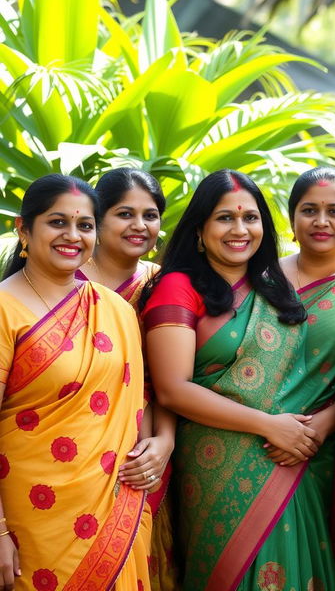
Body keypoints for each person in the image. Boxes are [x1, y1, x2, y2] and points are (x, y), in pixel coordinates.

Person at [140, 169, 335, 590]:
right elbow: (173, 390)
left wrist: (305, 429)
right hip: (217, 469)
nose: (239, 229)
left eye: (250, 218)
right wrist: (269, 426)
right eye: (225, 218)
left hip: (292, 462)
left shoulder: (274, 291)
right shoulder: (178, 288)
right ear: (200, 229)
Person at [0, 174, 151, 590]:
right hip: (27, 520)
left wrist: (156, 446)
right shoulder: (4, 310)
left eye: (85, 225)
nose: (73, 236)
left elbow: (135, 399)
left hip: (113, 510)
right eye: (57, 222)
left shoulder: (116, 310)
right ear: (23, 229)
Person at [77, 168, 177, 591]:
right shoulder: (66, 278)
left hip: (144, 447)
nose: (140, 226)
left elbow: (171, 379)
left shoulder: (163, 285)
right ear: (98, 220)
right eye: (125, 214)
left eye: (150, 215)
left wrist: (166, 441)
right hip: (71, 445)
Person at [278, 167, 335, 590]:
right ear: (292, 220)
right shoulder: (259, 280)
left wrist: (325, 422)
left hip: (325, 452)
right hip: (247, 443)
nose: (321, 221)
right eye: (308, 210)